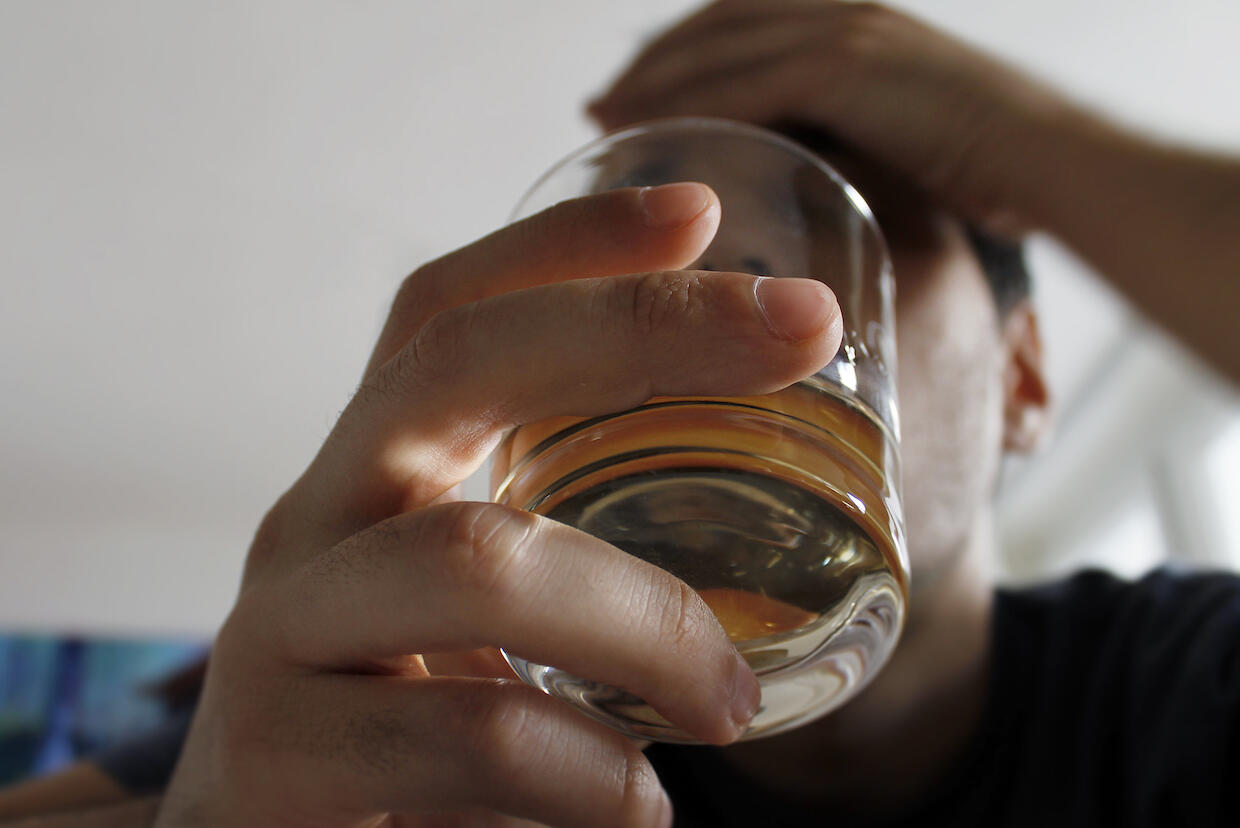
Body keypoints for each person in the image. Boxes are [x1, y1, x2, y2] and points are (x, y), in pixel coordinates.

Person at [2, 1, 1238, 825]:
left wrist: (1003, 130)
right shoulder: (435, 710)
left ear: (1024, 382)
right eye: (678, 262)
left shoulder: (1180, 683)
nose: (736, 302)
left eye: (841, 250)